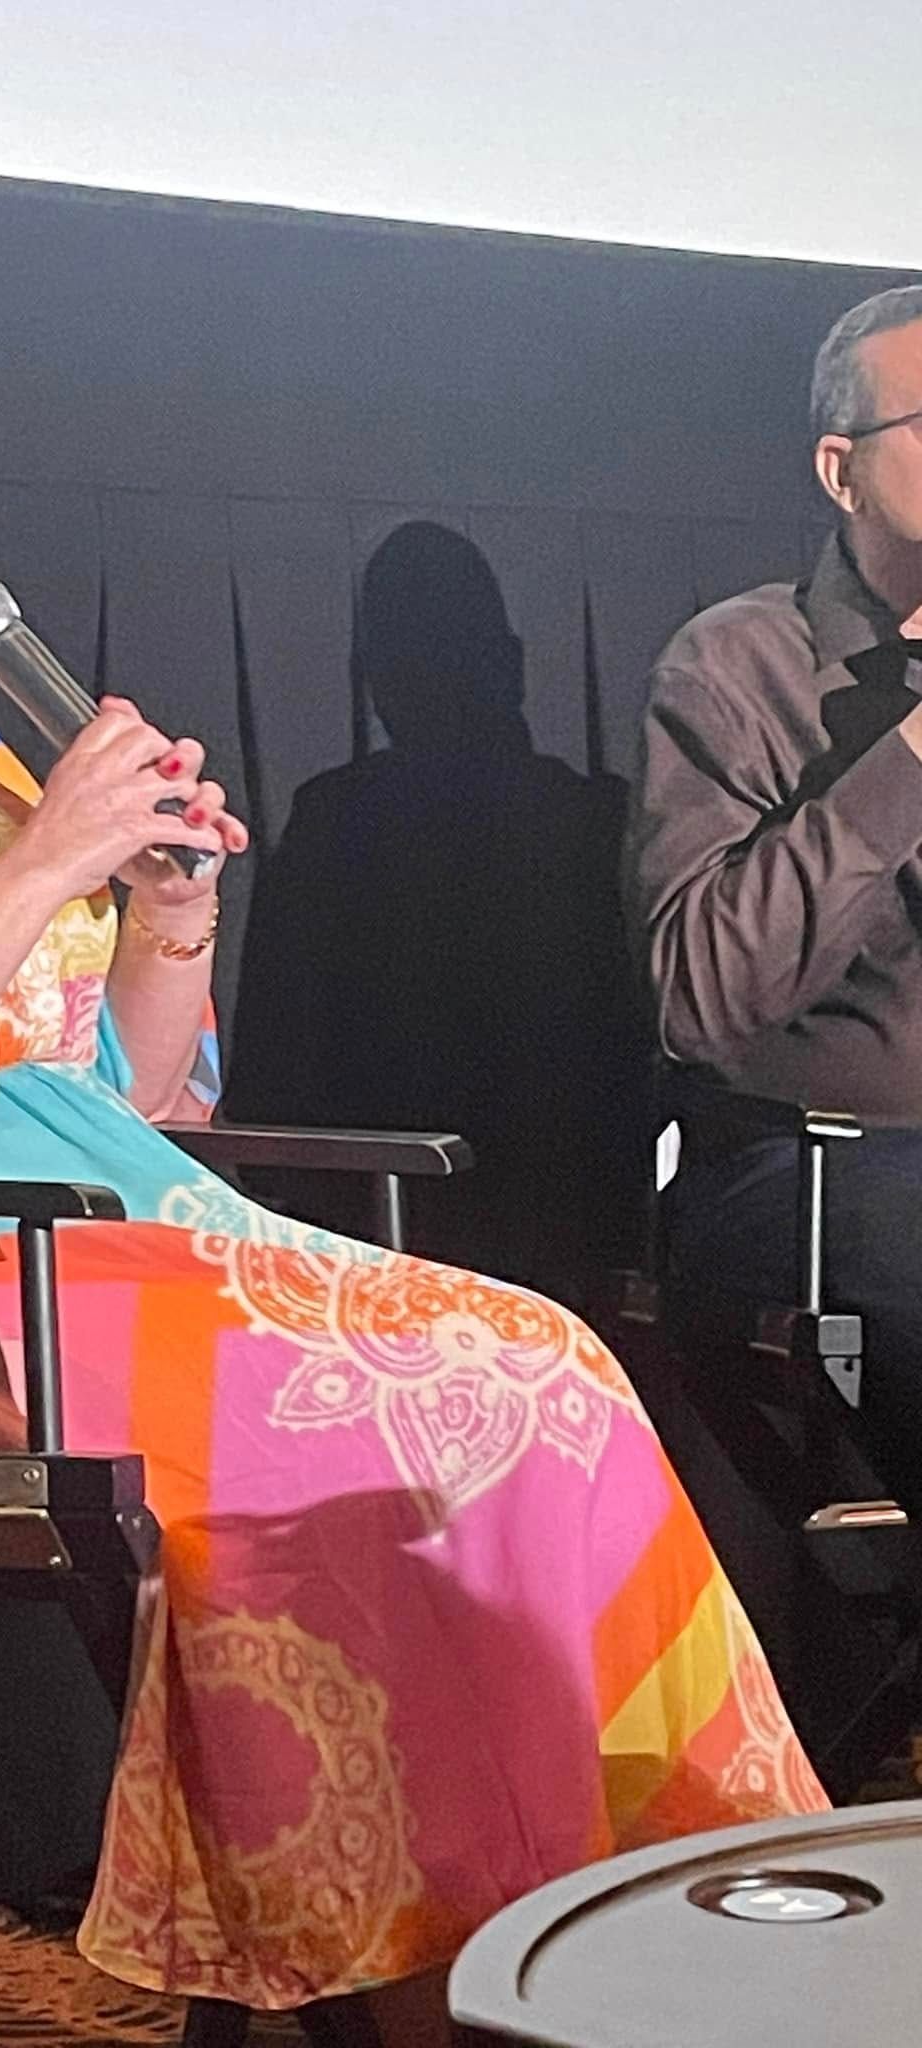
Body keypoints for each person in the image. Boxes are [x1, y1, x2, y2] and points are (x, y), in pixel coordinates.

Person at [0, 263, 822, 2041]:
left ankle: (611, 1950)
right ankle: (424, 1979)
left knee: (545, 1364)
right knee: (424, 1403)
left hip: (68, 1239)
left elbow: (103, 1100)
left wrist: (167, 917)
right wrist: (44, 862)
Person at [626, 283, 922, 1521]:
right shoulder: (738, 666)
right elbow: (701, 994)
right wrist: (906, 757)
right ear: (840, 469)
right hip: (820, 1171)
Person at [226, 522, 646, 1300]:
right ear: (514, 664)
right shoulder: (597, 821)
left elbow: (266, 1088)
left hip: (372, 1253)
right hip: (575, 1251)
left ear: (376, 684)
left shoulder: (332, 821)